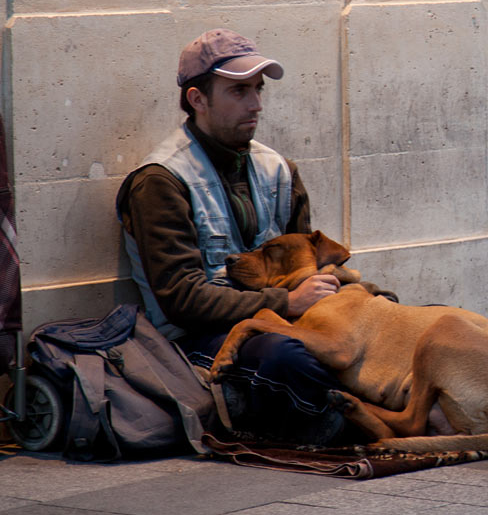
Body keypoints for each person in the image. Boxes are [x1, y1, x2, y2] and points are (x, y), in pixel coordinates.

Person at [116, 29, 353, 445]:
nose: (257, 105)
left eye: (258, 90)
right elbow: (183, 301)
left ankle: (354, 411)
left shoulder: (278, 168)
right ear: (198, 99)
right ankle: (344, 415)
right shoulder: (160, 181)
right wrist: (286, 301)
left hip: (284, 320)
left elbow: (310, 260)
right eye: (239, 91)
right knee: (284, 356)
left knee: (376, 328)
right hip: (199, 339)